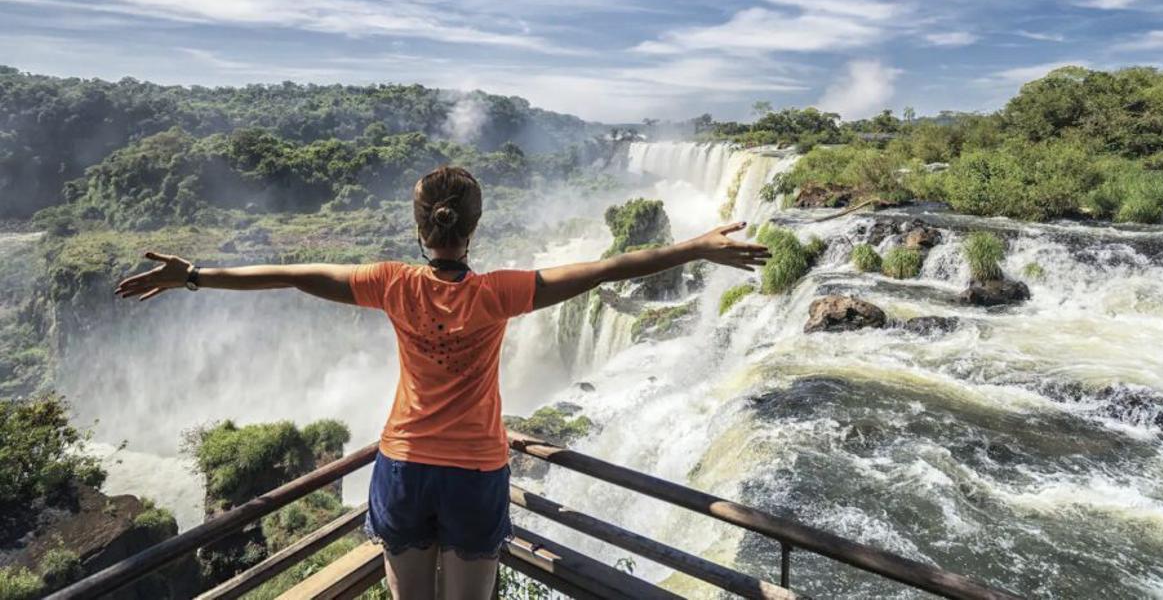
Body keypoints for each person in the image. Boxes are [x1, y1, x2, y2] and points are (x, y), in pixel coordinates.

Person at [115, 165, 769, 599]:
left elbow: (292, 274)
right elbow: (607, 268)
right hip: (475, 473)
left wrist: (193, 276)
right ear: (473, 227)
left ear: (420, 227)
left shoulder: (390, 284)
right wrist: (696, 247)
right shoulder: (500, 293)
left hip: (402, 465)